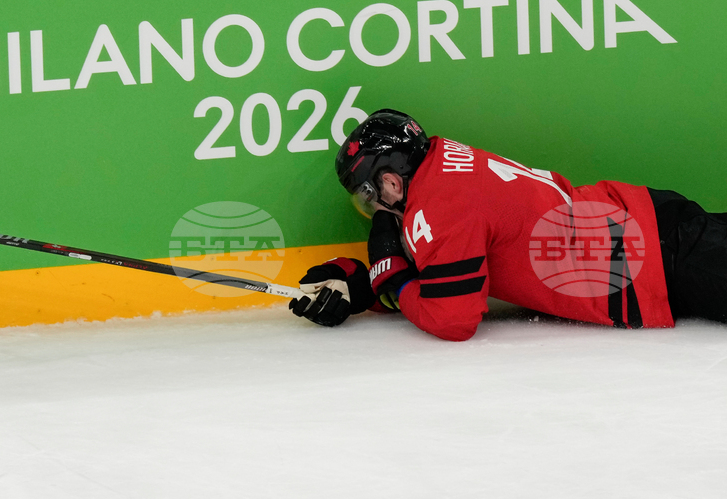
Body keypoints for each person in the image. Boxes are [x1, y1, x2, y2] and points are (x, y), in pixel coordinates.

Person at [289, 109, 727, 341]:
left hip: (660, 262)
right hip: (648, 222)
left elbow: (451, 319)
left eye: (370, 195)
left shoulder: (441, 208)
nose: (375, 209)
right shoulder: (442, 161)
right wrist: (360, 284)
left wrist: (394, 279)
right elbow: (449, 261)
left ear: (390, 180)